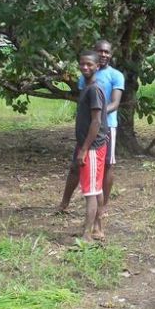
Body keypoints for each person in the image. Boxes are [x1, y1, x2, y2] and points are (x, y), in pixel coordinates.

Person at [59, 39, 124, 215]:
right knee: (77, 164)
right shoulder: (85, 75)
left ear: (111, 54)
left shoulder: (116, 75)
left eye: (106, 52)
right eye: (100, 51)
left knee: (107, 166)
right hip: (89, 128)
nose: (103, 54)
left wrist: (98, 115)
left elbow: (115, 103)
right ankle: (64, 203)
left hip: (107, 127)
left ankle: (102, 208)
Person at [69, 51, 109, 241]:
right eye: (82, 64)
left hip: (92, 147)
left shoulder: (94, 89)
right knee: (96, 188)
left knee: (90, 192)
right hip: (91, 146)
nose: (85, 67)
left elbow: (96, 121)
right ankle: (97, 229)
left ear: (97, 66)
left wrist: (84, 149)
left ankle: (87, 235)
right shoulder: (87, 87)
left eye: (89, 64)